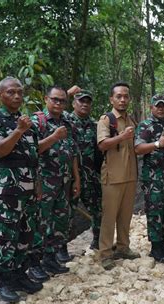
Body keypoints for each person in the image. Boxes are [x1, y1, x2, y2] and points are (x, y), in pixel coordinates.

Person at [0, 77, 43, 302]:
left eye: (19, 92)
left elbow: (33, 155)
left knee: (26, 234)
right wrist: (18, 131)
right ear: (1, 95)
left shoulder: (25, 121)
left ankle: (19, 275)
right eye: (11, 92)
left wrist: (37, 183)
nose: (17, 96)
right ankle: (3, 282)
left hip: (28, 190)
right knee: (6, 236)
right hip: (8, 191)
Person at [30, 86, 80, 277]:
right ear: (46, 100)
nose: (58, 103)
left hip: (63, 181)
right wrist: (53, 137)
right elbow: (33, 149)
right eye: (55, 100)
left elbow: (72, 151)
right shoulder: (38, 121)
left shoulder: (66, 122)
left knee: (59, 220)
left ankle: (51, 259)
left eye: (62, 100)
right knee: (40, 222)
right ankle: (35, 264)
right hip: (44, 182)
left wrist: (76, 179)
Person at [97, 82, 139, 270]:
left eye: (126, 96)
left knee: (125, 216)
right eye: (119, 96)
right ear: (111, 99)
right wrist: (121, 137)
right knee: (109, 217)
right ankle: (105, 253)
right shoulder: (106, 120)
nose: (123, 99)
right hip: (112, 177)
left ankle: (123, 247)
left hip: (130, 176)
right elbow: (102, 144)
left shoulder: (131, 119)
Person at [135, 94, 164, 263]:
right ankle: (155, 247)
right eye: (157, 106)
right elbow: (138, 149)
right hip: (154, 178)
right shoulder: (145, 126)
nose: (161, 108)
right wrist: (156, 144)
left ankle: (163, 241)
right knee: (155, 211)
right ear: (152, 107)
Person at [68, 90, 103, 250]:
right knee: (66, 212)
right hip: (68, 178)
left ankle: (98, 241)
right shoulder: (65, 121)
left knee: (98, 210)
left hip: (91, 176)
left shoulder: (96, 126)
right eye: (81, 101)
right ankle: (60, 249)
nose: (84, 104)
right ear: (74, 103)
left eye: (87, 102)